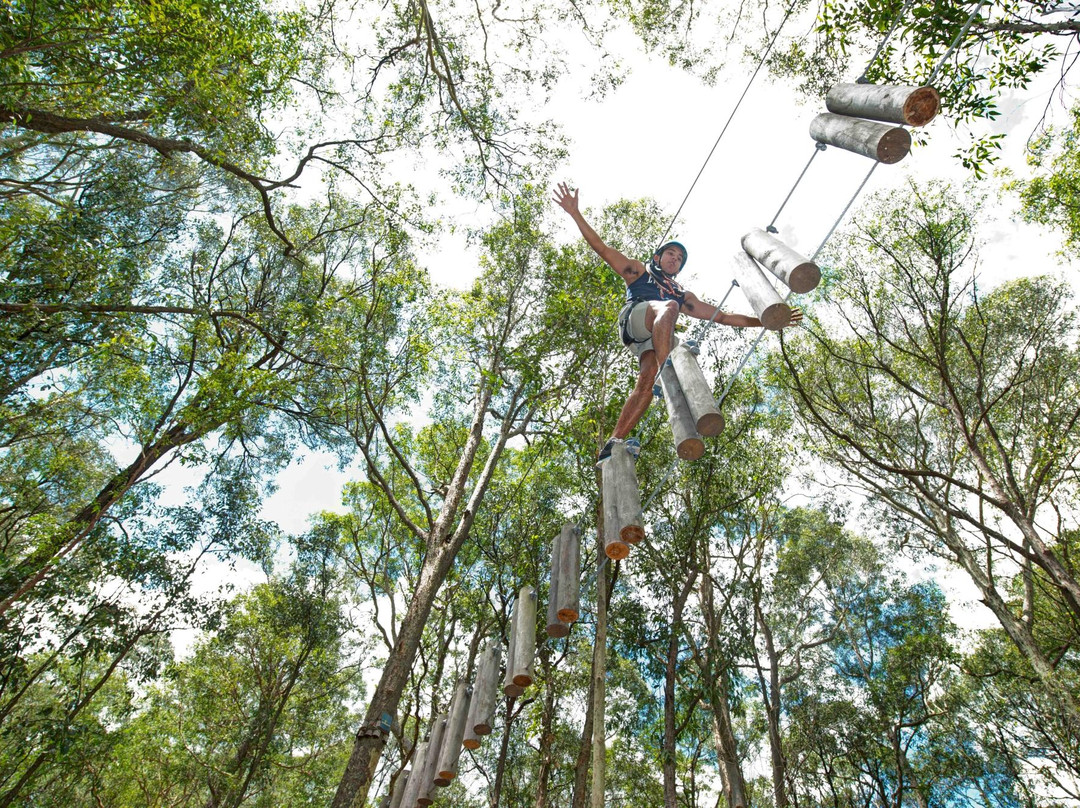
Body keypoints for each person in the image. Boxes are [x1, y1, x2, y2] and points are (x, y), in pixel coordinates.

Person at [553, 182, 802, 464]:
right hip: (636, 318)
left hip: (653, 337)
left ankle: (614, 442)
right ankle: (665, 366)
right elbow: (601, 248)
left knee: (646, 379)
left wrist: (768, 319)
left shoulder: (682, 295)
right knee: (668, 310)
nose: (676, 258)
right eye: (671, 253)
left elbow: (722, 316)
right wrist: (575, 213)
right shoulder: (639, 272)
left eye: (680, 258)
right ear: (658, 258)